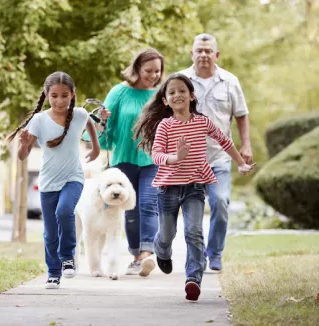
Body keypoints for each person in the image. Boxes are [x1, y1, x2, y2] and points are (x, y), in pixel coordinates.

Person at [133, 73, 254, 301]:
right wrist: (175, 157)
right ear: (165, 101)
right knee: (166, 234)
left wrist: (240, 164)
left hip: (195, 187)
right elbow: (157, 154)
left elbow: (224, 140)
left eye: (182, 91)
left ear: (191, 95)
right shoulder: (165, 126)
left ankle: (193, 279)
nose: (177, 95)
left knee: (194, 232)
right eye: (172, 92)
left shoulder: (202, 122)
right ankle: (162, 251)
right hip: (168, 188)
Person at [5, 71, 101, 289]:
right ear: (47, 95)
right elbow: (22, 156)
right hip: (48, 182)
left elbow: (90, 124)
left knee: (64, 211)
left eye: (65, 95)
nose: (60, 101)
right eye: (55, 95)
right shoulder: (39, 120)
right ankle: (53, 273)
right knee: (49, 233)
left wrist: (96, 148)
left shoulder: (79, 114)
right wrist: (23, 144)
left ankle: (68, 257)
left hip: (73, 177)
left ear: (73, 94)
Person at [179, 33, 253, 271]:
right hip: (189, 160)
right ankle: (196, 258)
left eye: (208, 51)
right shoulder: (181, 81)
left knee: (220, 202)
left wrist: (246, 145)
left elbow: (241, 114)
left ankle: (215, 252)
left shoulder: (230, 81)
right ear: (192, 54)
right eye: (199, 50)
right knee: (192, 214)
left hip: (220, 157)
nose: (203, 55)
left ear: (216, 55)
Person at [92, 48, 165, 277]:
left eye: (157, 71)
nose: (153, 75)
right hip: (124, 159)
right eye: (148, 70)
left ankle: (146, 254)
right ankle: (136, 255)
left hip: (153, 159)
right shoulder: (119, 92)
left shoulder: (160, 95)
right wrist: (101, 123)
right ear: (137, 68)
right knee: (131, 211)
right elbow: (106, 132)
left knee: (148, 205)